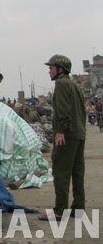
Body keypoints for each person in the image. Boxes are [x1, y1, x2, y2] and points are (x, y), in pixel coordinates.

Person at [39, 55, 86, 221]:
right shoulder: (74, 86)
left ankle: (59, 211)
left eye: (51, 68)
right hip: (79, 134)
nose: (49, 71)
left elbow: (64, 110)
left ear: (60, 69)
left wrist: (61, 131)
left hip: (67, 135)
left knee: (61, 173)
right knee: (77, 172)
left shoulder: (61, 84)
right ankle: (78, 208)